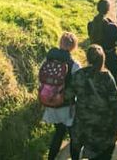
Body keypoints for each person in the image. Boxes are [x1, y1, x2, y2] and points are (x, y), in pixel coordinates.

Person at [70, 46, 117, 160]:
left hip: (83, 124)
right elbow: (115, 104)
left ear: (87, 58)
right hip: (104, 128)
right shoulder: (106, 78)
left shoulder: (79, 75)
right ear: (103, 59)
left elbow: (68, 95)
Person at [42, 32, 80, 160]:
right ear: (73, 47)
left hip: (50, 103)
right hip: (67, 106)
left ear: (60, 43)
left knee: (59, 132)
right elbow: (79, 86)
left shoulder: (48, 59)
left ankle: (51, 158)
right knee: (74, 135)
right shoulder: (74, 65)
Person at [88, 0, 117, 84]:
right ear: (108, 10)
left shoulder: (90, 24)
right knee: (114, 79)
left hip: (96, 56)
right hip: (110, 55)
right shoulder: (112, 27)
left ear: (97, 8)